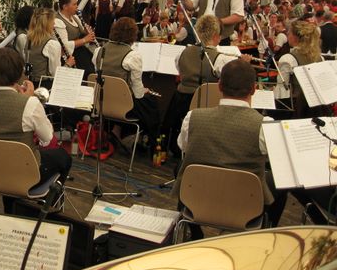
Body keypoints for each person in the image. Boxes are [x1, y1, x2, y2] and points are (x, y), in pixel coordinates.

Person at [173, 60, 287, 239]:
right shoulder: (264, 125)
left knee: (182, 166)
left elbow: (184, 147)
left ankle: (196, 234)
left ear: (219, 86)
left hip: (198, 199)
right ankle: (265, 233)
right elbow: (278, 160)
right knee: (280, 181)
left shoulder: (192, 117)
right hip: (245, 203)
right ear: (254, 89)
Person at [0, 47, 71, 212]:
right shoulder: (29, 104)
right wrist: (30, 100)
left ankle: (12, 207)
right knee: (63, 156)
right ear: (18, 74)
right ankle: (45, 211)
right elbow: (48, 139)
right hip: (23, 175)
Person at [165, 15, 248, 156]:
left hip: (180, 102)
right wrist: (243, 64)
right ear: (215, 36)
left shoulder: (183, 52)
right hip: (205, 106)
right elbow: (233, 80)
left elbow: (181, 71)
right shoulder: (221, 59)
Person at [92, 17, 160, 147]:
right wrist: (145, 91)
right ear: (133, 35)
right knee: (151, 103)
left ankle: (116, 130)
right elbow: (138, 93)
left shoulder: (99, 51)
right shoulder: (133, 56)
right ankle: (151, 143)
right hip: (123, 106)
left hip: (101, 102)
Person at [276, 20, 326, 118]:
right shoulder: (320, 58)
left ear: (295, 37)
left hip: (297, 110)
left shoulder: (288, 59)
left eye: (289, 33)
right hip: (317, 108)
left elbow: (282, 91)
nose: (287, 35)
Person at [26, 8, 73, 88]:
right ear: (47, 24)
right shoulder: (52, 44)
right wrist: (68, 64)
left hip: (31, 85)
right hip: (46, 87)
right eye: (52, 21)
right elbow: (56, 75)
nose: (54, 24)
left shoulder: (28, 40)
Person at [55, 0, 95, 77]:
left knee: (92, 67)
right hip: (70, 55)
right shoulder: (58, 21)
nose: (77, 6)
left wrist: (87, 31)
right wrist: (85, 40)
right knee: (86, 72)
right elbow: (64, 45)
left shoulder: (75, 17)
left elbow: (81, 33)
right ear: (65, 7)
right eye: (74, 4)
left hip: (80, 51)